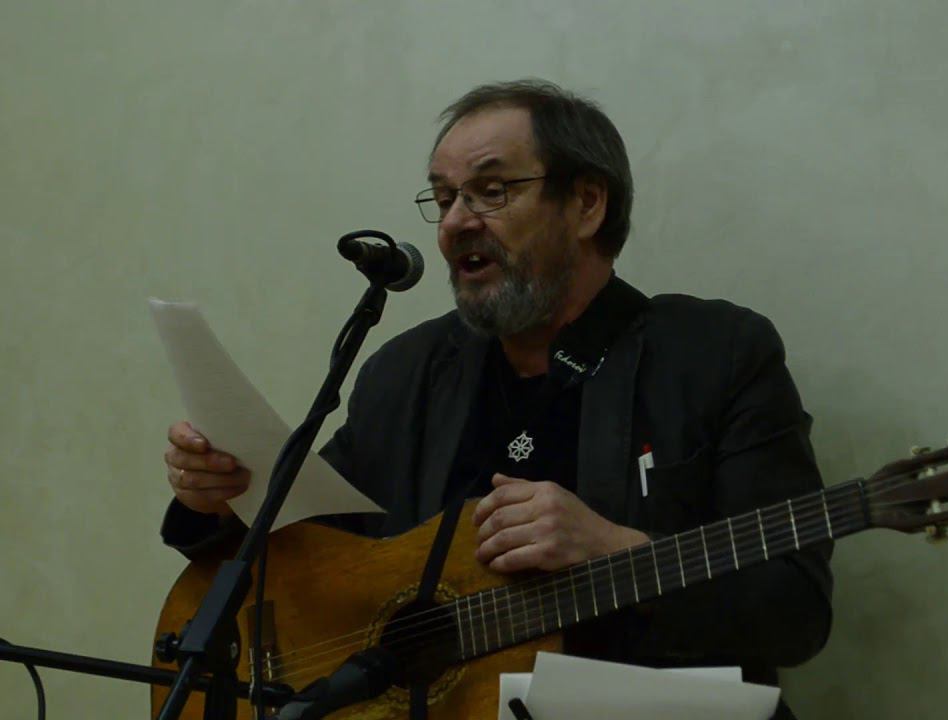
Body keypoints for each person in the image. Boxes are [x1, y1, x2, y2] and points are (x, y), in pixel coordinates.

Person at [161, 79, 833, 719]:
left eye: (490, 191)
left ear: (586, 204)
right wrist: (221, 496)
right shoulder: (408, 373)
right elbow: (315, 539)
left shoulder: (714, 356)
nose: (455, 222)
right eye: (443, 197)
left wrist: (614, 548)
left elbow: (795, 609)